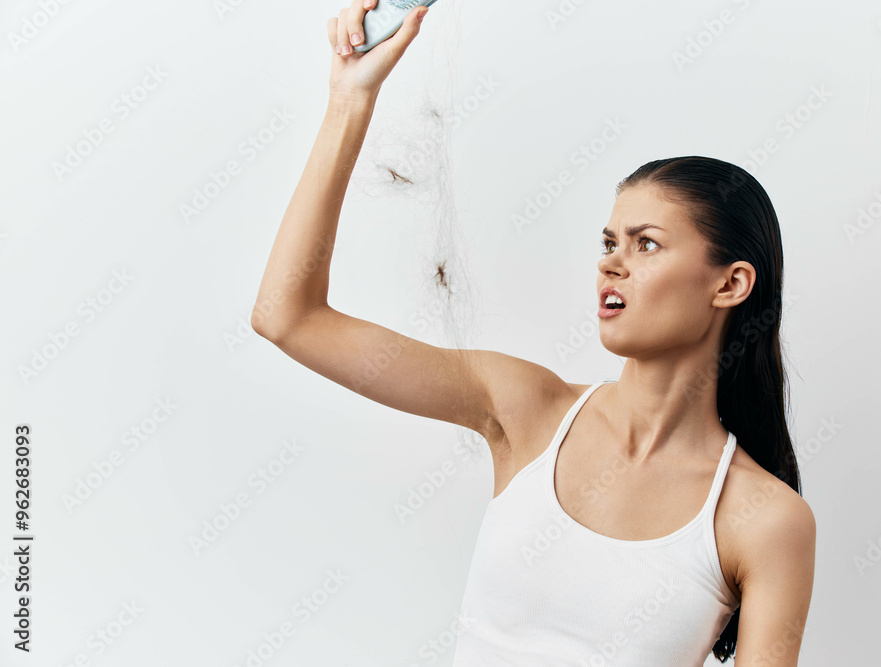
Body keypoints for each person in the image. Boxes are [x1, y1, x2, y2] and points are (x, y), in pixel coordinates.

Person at [251, 2, 816, 664]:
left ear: (730, 284)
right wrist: (350, 100)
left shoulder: (764, 519)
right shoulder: (527, 409)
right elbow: (287, 316)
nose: (611, 261)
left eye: (647, 244)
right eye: (608, 241)